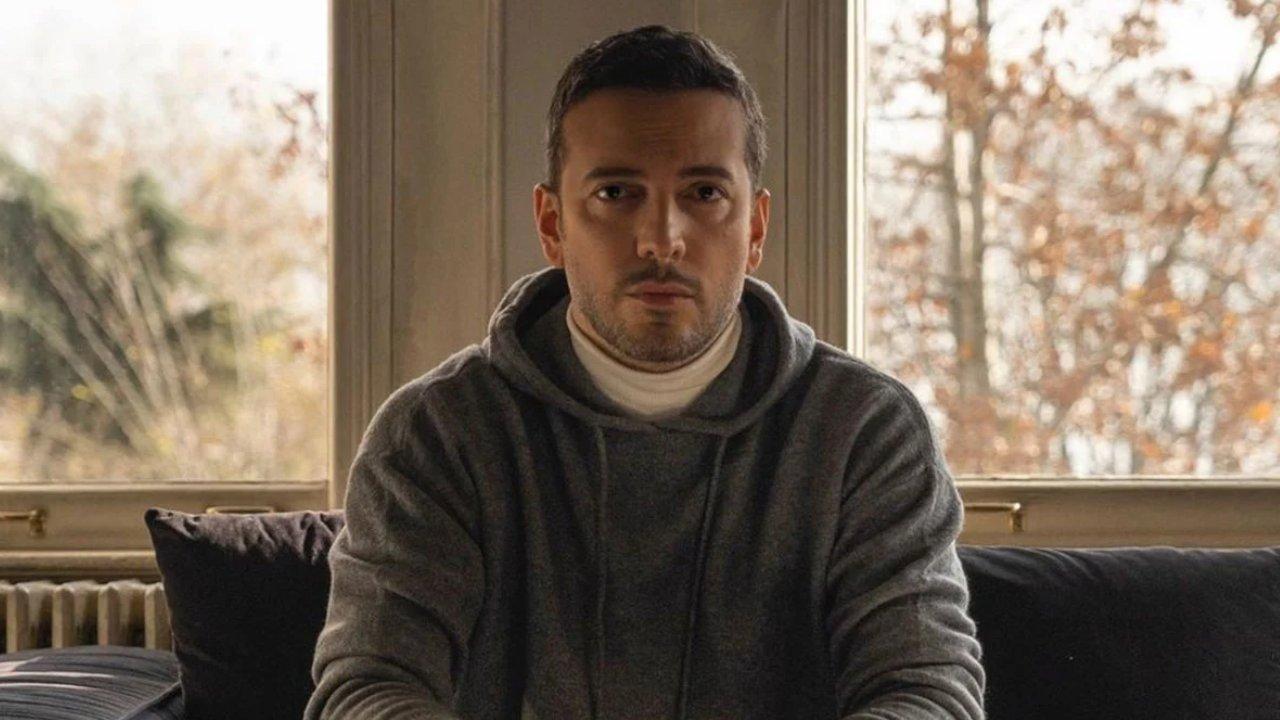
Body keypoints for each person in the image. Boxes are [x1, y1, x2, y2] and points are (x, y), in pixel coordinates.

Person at [305, 24, 984, 720]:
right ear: (552, 224)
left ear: (755, 228)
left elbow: (928, 691)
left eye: (705, 193)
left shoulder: (865, 431)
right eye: (616, 193)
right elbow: (366, 688)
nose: (662, 239)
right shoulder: (435, 434)